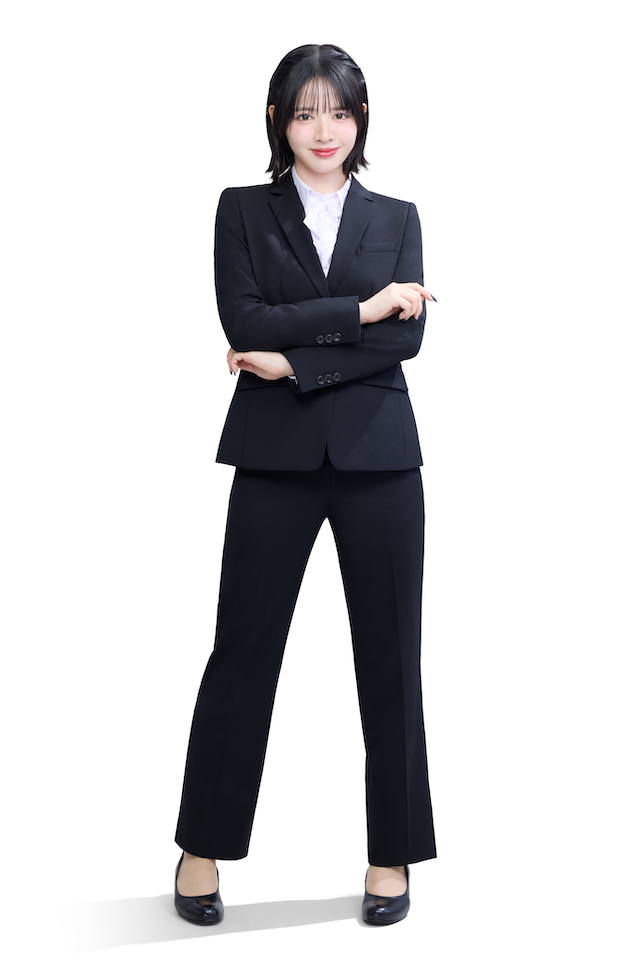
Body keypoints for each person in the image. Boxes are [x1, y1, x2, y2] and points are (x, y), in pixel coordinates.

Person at [173, 43, 438, 927]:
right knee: (242, 654)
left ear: (361, 119)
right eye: (304, 112)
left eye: (340, 111)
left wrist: (294, 362)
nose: (324, 130)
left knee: (391, 660)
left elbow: (407, 342)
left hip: (381, 461)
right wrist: (362, 309)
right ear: (278, 121)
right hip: (273, 461)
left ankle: (392, 854)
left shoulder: (397, 216)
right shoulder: (242, 210)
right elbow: (245, 318)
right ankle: (201, 847)